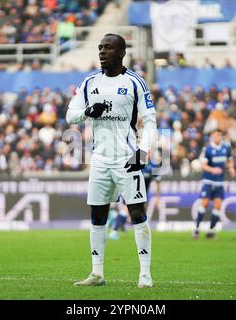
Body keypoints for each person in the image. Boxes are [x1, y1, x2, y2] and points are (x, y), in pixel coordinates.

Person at [66, 34, 157, 288]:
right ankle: (97, 273)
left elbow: (150, 121)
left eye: (108, 47)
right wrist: (86, 112)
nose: (102, 52)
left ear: (121, 52)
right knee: (97, 214)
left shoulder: (135, 82)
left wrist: (143, 150)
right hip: (99, 160)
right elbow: (69, 115)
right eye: (100, 48)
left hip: (127, 159)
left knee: (137, 212)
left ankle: (145, 274)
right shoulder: (89, 82)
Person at [194, 129, 236, 239]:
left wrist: (231, 168)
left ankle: (211, 230)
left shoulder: (226, 148)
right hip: (208, 181)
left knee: (218, 206)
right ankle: (197, 228)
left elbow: (230, 160)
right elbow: (203, 165)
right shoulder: (207, 149)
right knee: (205, 204)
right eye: (216, 135)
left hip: (219, 182)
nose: (218, 137)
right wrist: (213, 170)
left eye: (219, 135)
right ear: (212, 136)